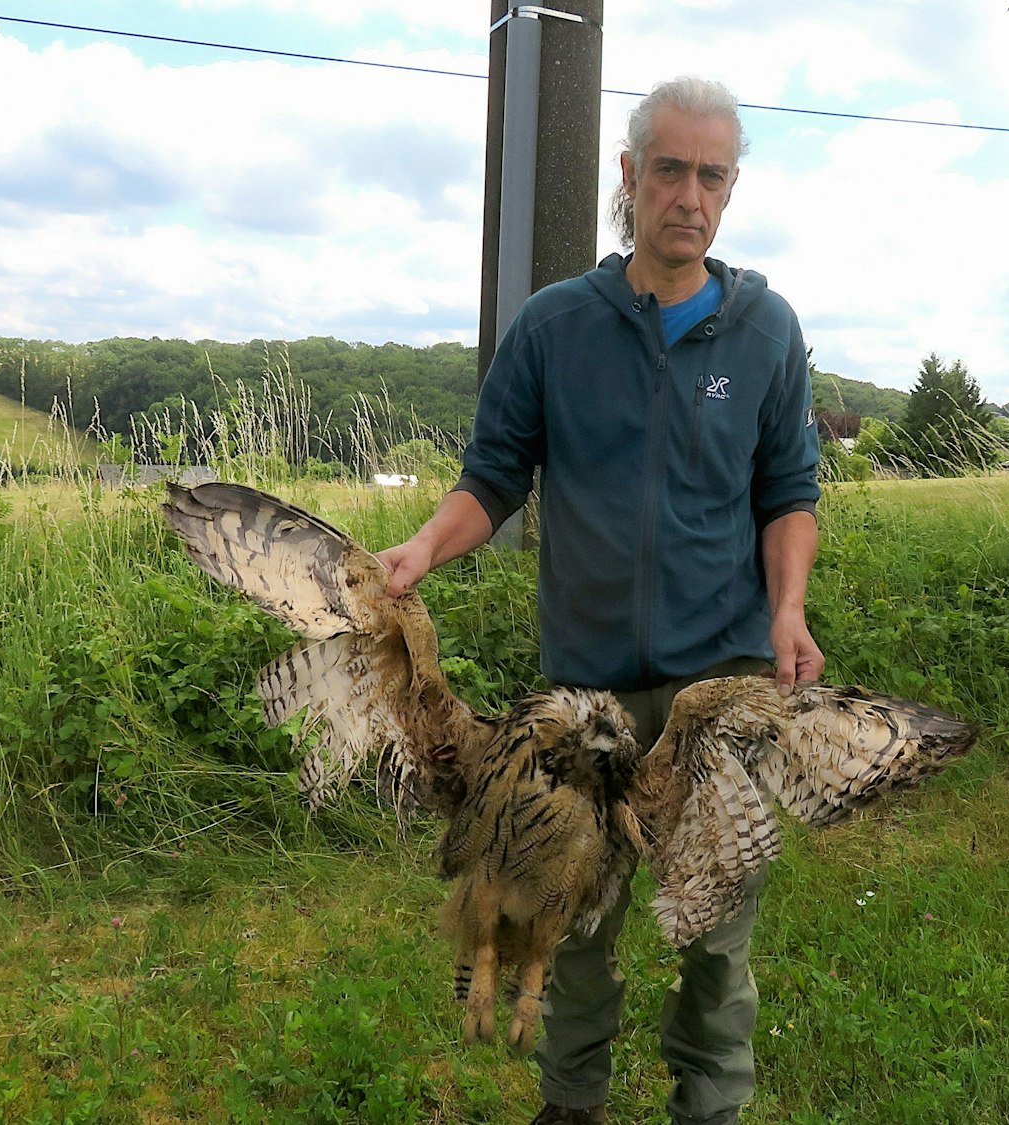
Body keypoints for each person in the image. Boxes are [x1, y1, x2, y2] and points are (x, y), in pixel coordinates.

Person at [376, 75, 821, 1125]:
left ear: (730, 189)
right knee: (566, 926)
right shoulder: (554, 327)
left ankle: (707, 1106)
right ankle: (570, 1107)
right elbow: (493, 477)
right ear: (628, 177)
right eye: (668, 170)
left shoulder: (765, 332)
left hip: (719, 690)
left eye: (711, 175)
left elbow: (787, 494)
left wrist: (787, 610)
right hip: (582, 705)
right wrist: (421, 551)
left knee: (715, 936)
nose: (688, 196)